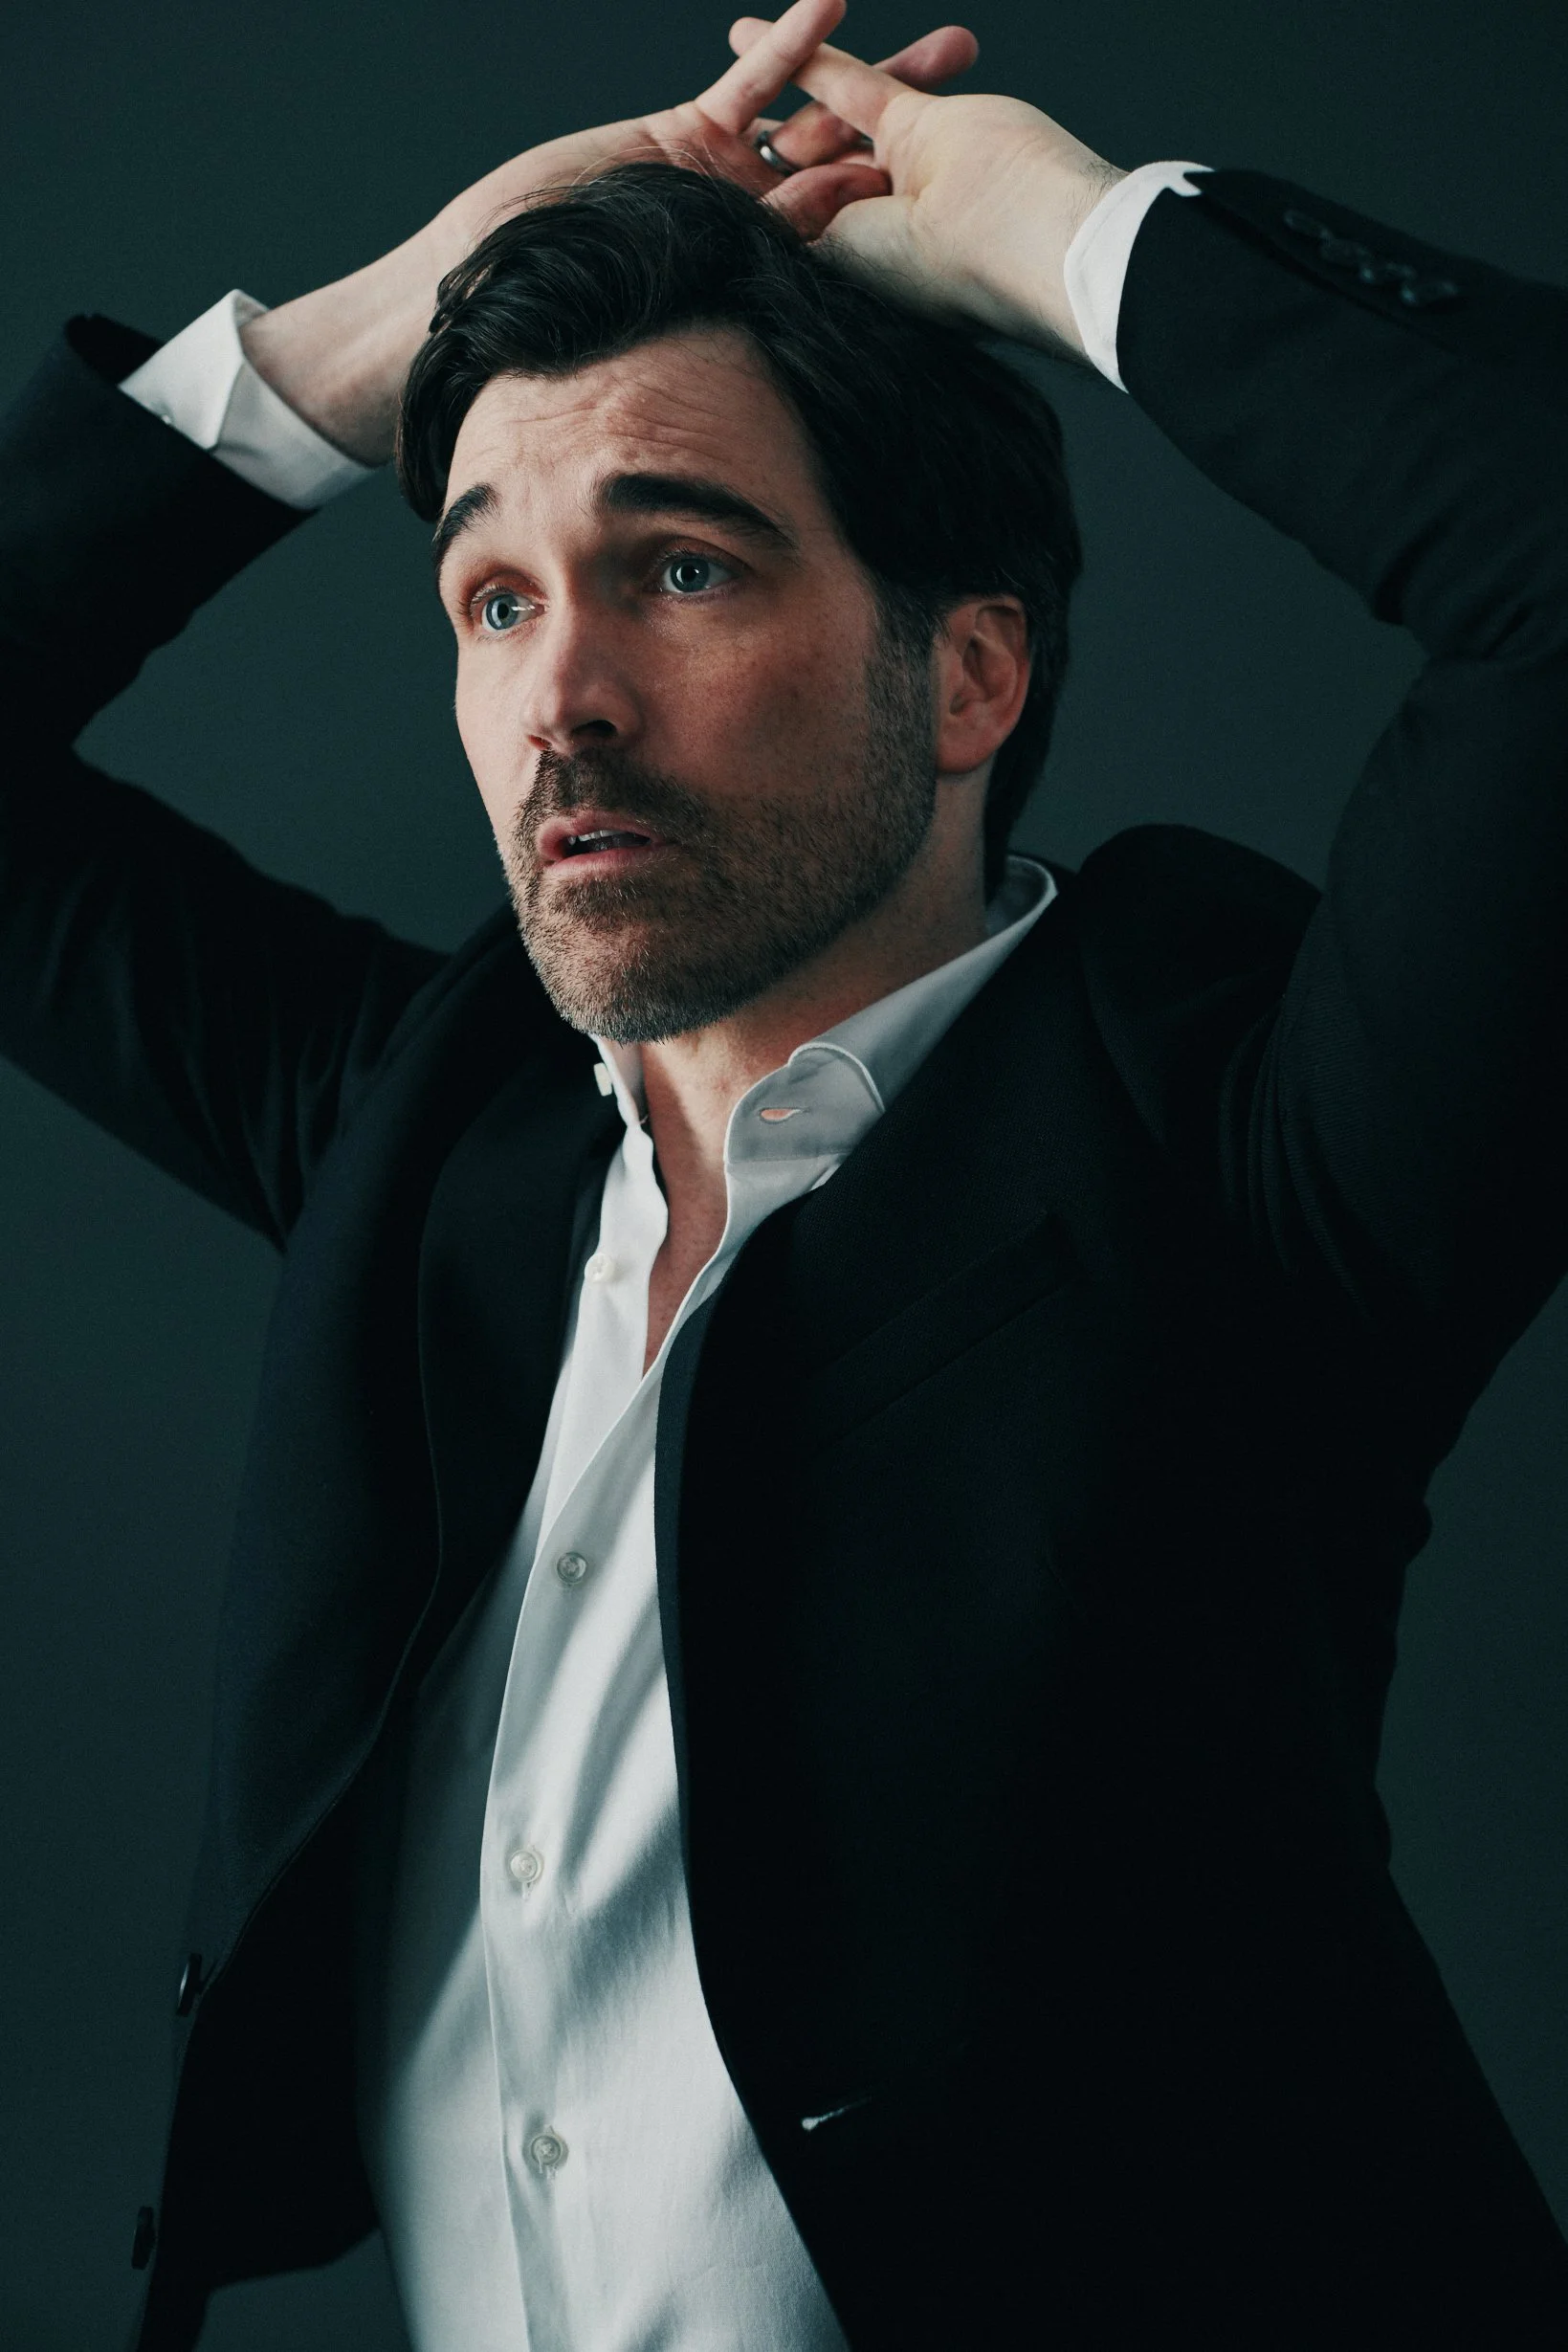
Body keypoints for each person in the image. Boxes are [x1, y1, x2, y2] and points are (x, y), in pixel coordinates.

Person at [4, 0, 1568, 2341]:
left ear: (970, 678)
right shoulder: (425, 1136)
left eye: (683, 571)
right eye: (496, 597)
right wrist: (385, 327)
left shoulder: (1241, 1157)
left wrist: (1063, 235)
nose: (561, 700)